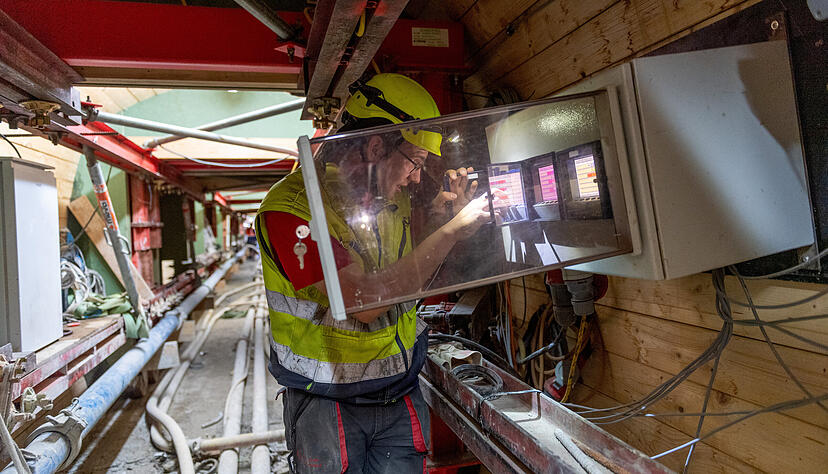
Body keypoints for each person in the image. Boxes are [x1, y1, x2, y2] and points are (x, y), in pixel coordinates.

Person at [255, 73, 494, 473]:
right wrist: (450, 232)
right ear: (377, 145)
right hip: (328, 401)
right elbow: (364, 302)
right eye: (415, 162)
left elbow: (406, 268)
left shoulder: (387, 197)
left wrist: (443, 221)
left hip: (399, 389)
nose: (416, 177)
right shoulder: (293, 210)